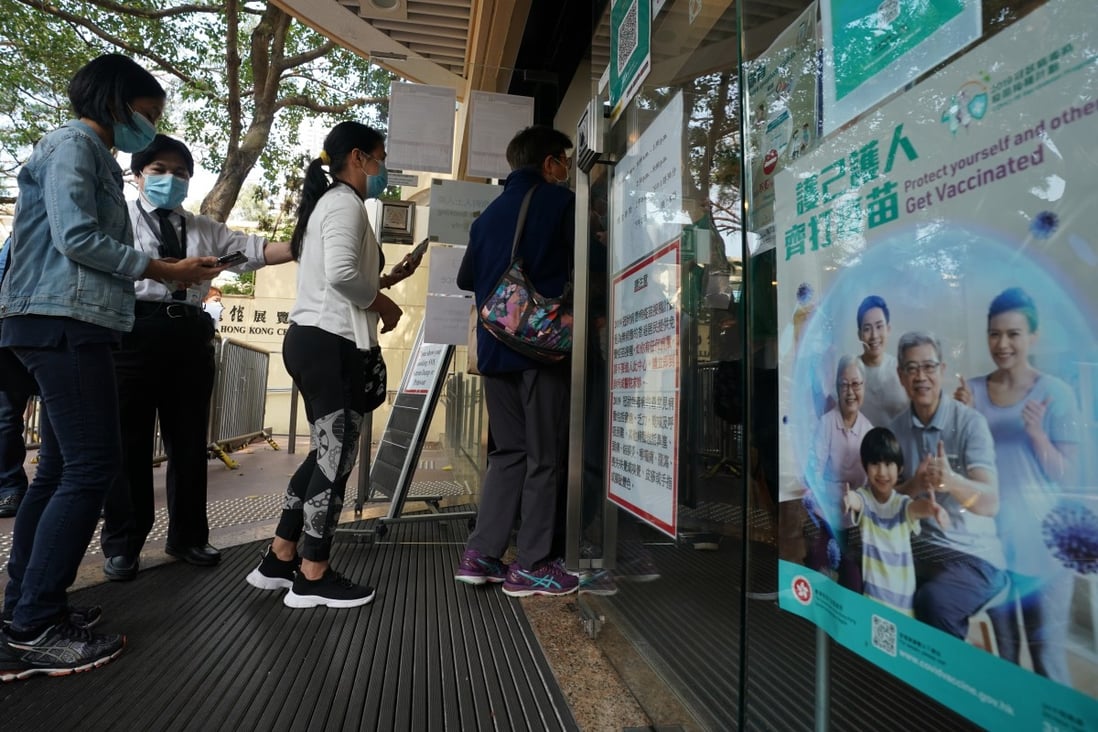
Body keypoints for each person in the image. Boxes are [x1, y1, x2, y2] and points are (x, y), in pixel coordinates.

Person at [0, 54, 222, 679]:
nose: (149, 130)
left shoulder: (76, 149)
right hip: (64, 321)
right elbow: (76, 238)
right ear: (115, 102)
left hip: (56, 319)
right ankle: (34, 626)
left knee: (64, 467)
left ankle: (26, 607)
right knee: (93, 466)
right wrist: (162, 270)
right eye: (146, 116)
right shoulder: (77, 144)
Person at [99, 135, 294, 582]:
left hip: (189, 336)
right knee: (129, 443)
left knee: (188, 443)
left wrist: (303, 242)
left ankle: (187, 536)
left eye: (181, 173)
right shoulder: (117, 220)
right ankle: (124, 543)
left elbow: (255, 250)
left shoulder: (204, 228)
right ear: (137, 175)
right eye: (159, 170)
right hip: (131, 331)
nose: (172, 180)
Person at [245, 121, 420, 608]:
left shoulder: (334, 205)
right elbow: (343, 275)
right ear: (359, 158)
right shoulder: (344, 203)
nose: (384, 169)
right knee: (335, 458)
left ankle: (280, 558)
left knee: (324, 454)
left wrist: (384, 280)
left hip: (317, 340)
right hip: (330, 342)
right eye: (381, 158)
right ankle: (313, 574)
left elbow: (338, 276)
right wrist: (382, 302)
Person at [453, 125, 578, 597]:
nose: (566, 170)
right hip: (540, 348)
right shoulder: (559, 203)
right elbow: (591, 260)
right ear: (549, 163)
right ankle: (532, 564)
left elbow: (468, 277)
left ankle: (481, 554)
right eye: (563, 161)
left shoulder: (487, 216)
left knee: (508, 453)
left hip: (495, 352)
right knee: (545, 458)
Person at [953, 287, 1080, 682]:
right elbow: (957, 469)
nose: (1002, 344)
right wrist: (964, 419)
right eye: (994, 334)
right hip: (993, 550)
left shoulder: (1055, 393)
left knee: (1047, 664)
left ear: (1033, 337)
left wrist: (1038, 436)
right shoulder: (970, 391)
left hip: (1045, 554)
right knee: (1003, 659)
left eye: (1013, 334)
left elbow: (1067, 476)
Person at [888, 331, 1007, 638]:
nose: (921, 377)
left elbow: (991, 502)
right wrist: (915, 484)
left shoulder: (970, 423)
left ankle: (946, 682)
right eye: (912, 369)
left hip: (973, 556)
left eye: (928, 367)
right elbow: (887, 500)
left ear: (942, 371)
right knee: (867, 570)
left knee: (933, 602)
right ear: (901, 376)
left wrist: (951, 481)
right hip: (922, 549)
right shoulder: (895, 430)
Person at [842, 427, 950, 617]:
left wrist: (933, 509)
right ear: (865, 466)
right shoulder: (865, 499)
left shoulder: (901, 504)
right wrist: (849, 499)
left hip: (903, 604)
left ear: (899, 469)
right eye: (875, 463)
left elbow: (915, 508)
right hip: (872, 599)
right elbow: (857, 501)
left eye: (889, 463)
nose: (882, 472)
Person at [803, 354, 872, 591]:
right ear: (837, 388)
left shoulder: (868, 431)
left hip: (854, 523)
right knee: (820, 569)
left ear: (864, 386)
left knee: (853, 581)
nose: (850, 391)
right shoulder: (826, 424)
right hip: (826, 518)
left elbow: (871, 488)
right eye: (844, 384)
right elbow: (813, 475)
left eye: (856, 384)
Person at [856, 295, 907, 427]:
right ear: (860, 334)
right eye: (867, 329)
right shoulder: (850, 370)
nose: (874, 336)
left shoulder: (902, 369)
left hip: (899, 446)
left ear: (888, 329)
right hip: (859, 447)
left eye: (879, 327)